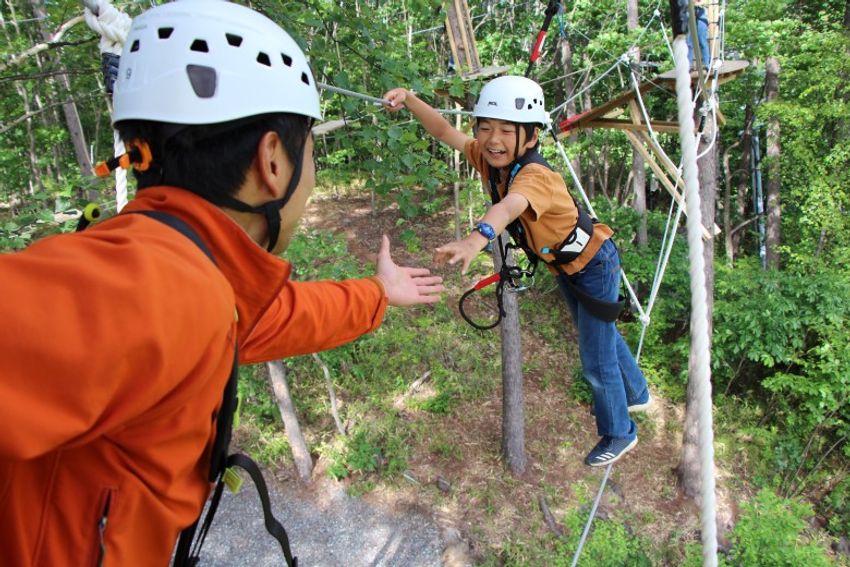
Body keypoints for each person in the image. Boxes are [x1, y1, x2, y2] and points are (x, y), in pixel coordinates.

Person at [0, 2, 445, 565]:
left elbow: (274, 316)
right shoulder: (152, 286)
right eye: (312, 154)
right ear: (273, 161)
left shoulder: (194, 280)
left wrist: (377, 294)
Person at [383, 76, 650, 468]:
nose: (493, 139)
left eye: (507, 131)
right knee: (597, 334)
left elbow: (508, 207)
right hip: (568, 265)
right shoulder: (490, 160)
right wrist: (408, 98)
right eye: (485, 128)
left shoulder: (535, 176)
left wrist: (475, 240)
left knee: (596, 360)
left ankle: (620, 432)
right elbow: (442, 130)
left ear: (531, 136)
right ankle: (637, 393)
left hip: (593, 263)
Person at [687, 0, 711, 70]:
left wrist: (696, 3)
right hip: (690, 19)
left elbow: (705, 2)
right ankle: (689, 65)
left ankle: (706, 64)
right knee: (689, 43)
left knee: (702, 42)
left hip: (701, 18)